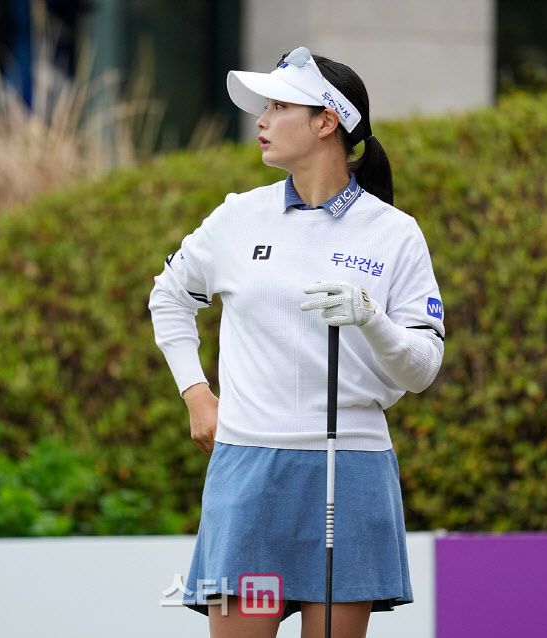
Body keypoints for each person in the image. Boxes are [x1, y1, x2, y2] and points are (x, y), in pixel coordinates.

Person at [148, 46, 445, 638]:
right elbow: (169, 297)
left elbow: (422, 367)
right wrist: (196, 394)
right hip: (249, 466)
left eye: (279, 107)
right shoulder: (238, 217)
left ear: (326, 121)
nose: (261, 120)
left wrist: (371, 319)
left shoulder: (394, 233)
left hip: (351, 468)